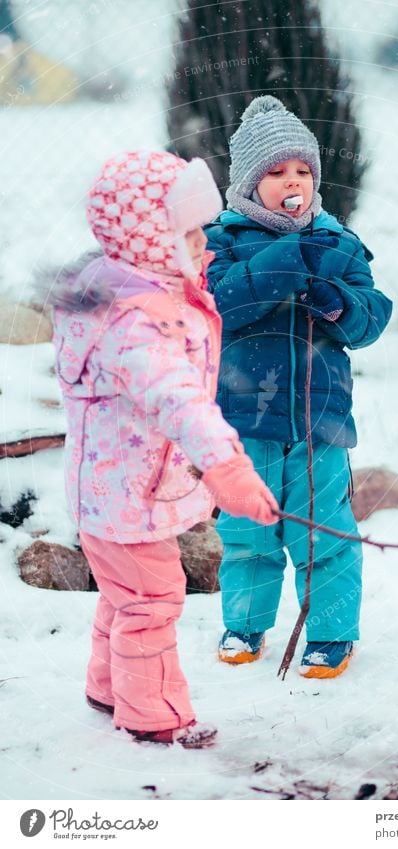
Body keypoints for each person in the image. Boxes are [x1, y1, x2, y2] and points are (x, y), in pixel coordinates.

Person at [49, 150, 279, 746]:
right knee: (152, 600)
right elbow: (178, 399)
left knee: (127, 597)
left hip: (121, 490)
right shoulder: (134, 323)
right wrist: (226, 464)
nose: (204, 242)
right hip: (128, 492)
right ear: (148, 237)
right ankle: (154, 717)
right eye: (190, 231)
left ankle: (110, 688)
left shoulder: (135, 293)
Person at [205, 96, 393, 679]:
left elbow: (372, 318)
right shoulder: (222, 242)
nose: (293, 182)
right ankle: (245, 625)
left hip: (320, 421)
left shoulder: (339, 244)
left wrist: (340, 305)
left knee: (325, 535)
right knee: (247, 532)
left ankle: (331, 635)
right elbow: (222, 306)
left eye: (303, 170)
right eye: (276, 172)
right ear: (247, 183)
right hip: (246, 416)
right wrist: (292, 256)